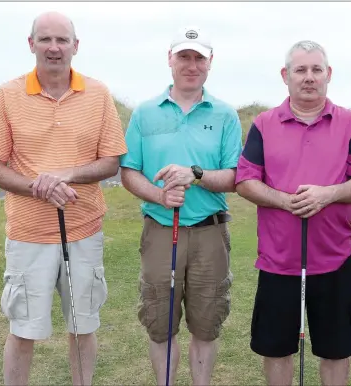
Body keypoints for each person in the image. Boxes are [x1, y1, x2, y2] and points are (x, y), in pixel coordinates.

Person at [0, 11, 127, 386]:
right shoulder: (7, 95)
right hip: (28, 235)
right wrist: (39, 186)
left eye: (62, 40)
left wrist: (67, 175)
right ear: (31, 44)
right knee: (23, 330)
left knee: (82, 327)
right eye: (45, 39)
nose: (54, 47)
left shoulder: (98, 94)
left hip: (84, 230)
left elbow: (111, 161)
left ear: (75, 46)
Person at [235, 40, 351, 386]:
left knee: (335, 350)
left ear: (328, 75)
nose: (309, 77)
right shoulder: (265, 124)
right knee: (277, 349)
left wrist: (329, 195)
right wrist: (285, 201)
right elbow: (245, 180)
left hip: (334, 259)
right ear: (286, 76)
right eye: (300, 70)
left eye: (316, 70)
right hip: (278, 260)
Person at [119, 25, 242, 385]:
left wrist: (196, 174)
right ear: (170, 60)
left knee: (206, 324)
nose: (191, 64)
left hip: (209, 230)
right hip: (160, 229)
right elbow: (129, 171)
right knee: (160, 324)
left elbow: (235, 177)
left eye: (198, 58)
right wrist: (159, 195)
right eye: (184, 56)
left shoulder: (225, 115)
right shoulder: (144, 113)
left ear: (209, 64)